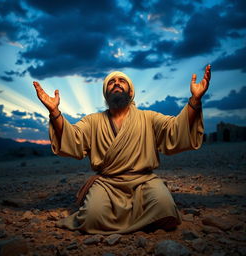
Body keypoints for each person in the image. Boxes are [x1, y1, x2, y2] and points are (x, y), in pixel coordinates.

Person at [33, 65, 211, 234]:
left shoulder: (148, 117)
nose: (116, 83)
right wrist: (55, 112)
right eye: (111, 82)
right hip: (108, 183)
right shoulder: (93, 121)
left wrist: (195, 100)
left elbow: (175, 129)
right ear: (106, 92)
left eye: (121, 81)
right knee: (92, 217)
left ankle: (127, 220)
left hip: (144, 181)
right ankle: (142, 221)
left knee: (166, 209)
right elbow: (73, 137)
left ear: (131, 91)